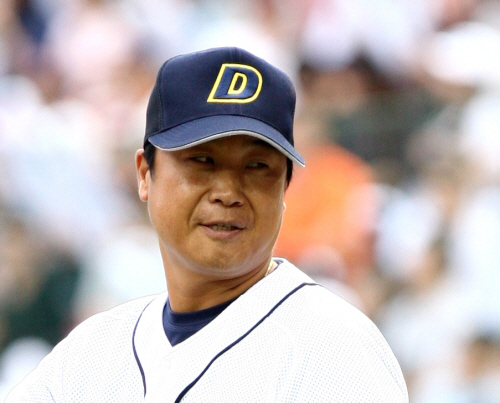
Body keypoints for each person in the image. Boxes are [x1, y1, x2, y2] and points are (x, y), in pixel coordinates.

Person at [6, 47, 408, 402]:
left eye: (257, 166)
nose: (228, 192)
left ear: (285, 188)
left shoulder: (335, 350)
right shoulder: (88, 357)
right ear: (145, 174)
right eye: (202, 161)